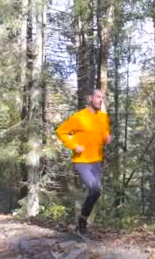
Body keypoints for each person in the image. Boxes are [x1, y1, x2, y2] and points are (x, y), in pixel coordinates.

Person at [56, 89, 112, 238]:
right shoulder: (79, 117)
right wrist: (74, 145)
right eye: (98, 97)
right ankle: (82, 223)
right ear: (90, 98)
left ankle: (82, 222)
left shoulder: (103, 117)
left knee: (96, 192)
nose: (101, 100)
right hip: (82, 161)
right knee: (94, 189)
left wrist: (107, 137)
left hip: (97, 161)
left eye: (103, 98)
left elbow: (105, 133)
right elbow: (61, 131)